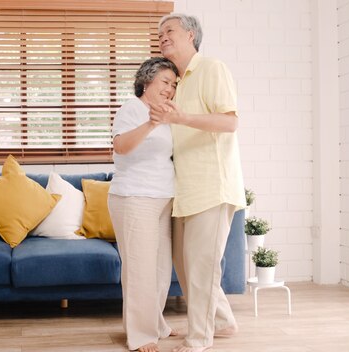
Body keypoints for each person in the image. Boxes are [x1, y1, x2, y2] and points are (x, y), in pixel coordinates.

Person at [150, 14, 246, 352]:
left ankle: (198, 339)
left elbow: (230, 123)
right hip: (185, 190)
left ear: (191, 35)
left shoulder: (212, 69)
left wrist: (182, 117)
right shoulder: (176, 80)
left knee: (202, 268)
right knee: (188, 267)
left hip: (212, 186)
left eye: (169, 31)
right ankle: (222, 322)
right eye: (159, 32)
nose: (162, 36)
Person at [107, 57, 179, 352]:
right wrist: (151, 122)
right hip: (134, 196)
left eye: (174, 85)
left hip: (163, 197)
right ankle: (139, 334)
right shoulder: (132, 108)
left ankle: (156, 323)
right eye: (165, 82)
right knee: (140, 269)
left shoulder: (167, 114)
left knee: (161, 269)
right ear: (147, 81)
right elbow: (120, 146)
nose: (170, 89)